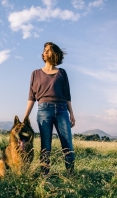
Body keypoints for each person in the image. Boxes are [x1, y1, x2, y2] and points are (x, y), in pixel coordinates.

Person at [24, 42, 75, 176]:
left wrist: (72, 114)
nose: (45, 52)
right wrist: (25, 117)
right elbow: (31, 97)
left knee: (67, 144)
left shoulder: (62, 73)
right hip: (44, 110)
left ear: (55, 54)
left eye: (48, 50)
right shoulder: (35, 73)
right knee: (45, 146)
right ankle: (44, 175)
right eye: (44, 50)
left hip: (62, 110)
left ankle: (70, 174)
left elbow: (67, 95)